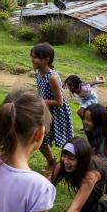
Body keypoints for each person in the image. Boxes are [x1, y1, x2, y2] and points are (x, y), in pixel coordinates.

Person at [31, 43, 74, 173]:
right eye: (32, 57)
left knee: (65, 143)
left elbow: (59, 102)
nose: (33, 60)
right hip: (44, 110)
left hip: (58, 113)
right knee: (39, 137)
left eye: (36, 57)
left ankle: (68, 167)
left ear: (47, 59)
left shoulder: (52, 78)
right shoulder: (38, 73)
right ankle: (52, 162)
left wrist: (39, 100)